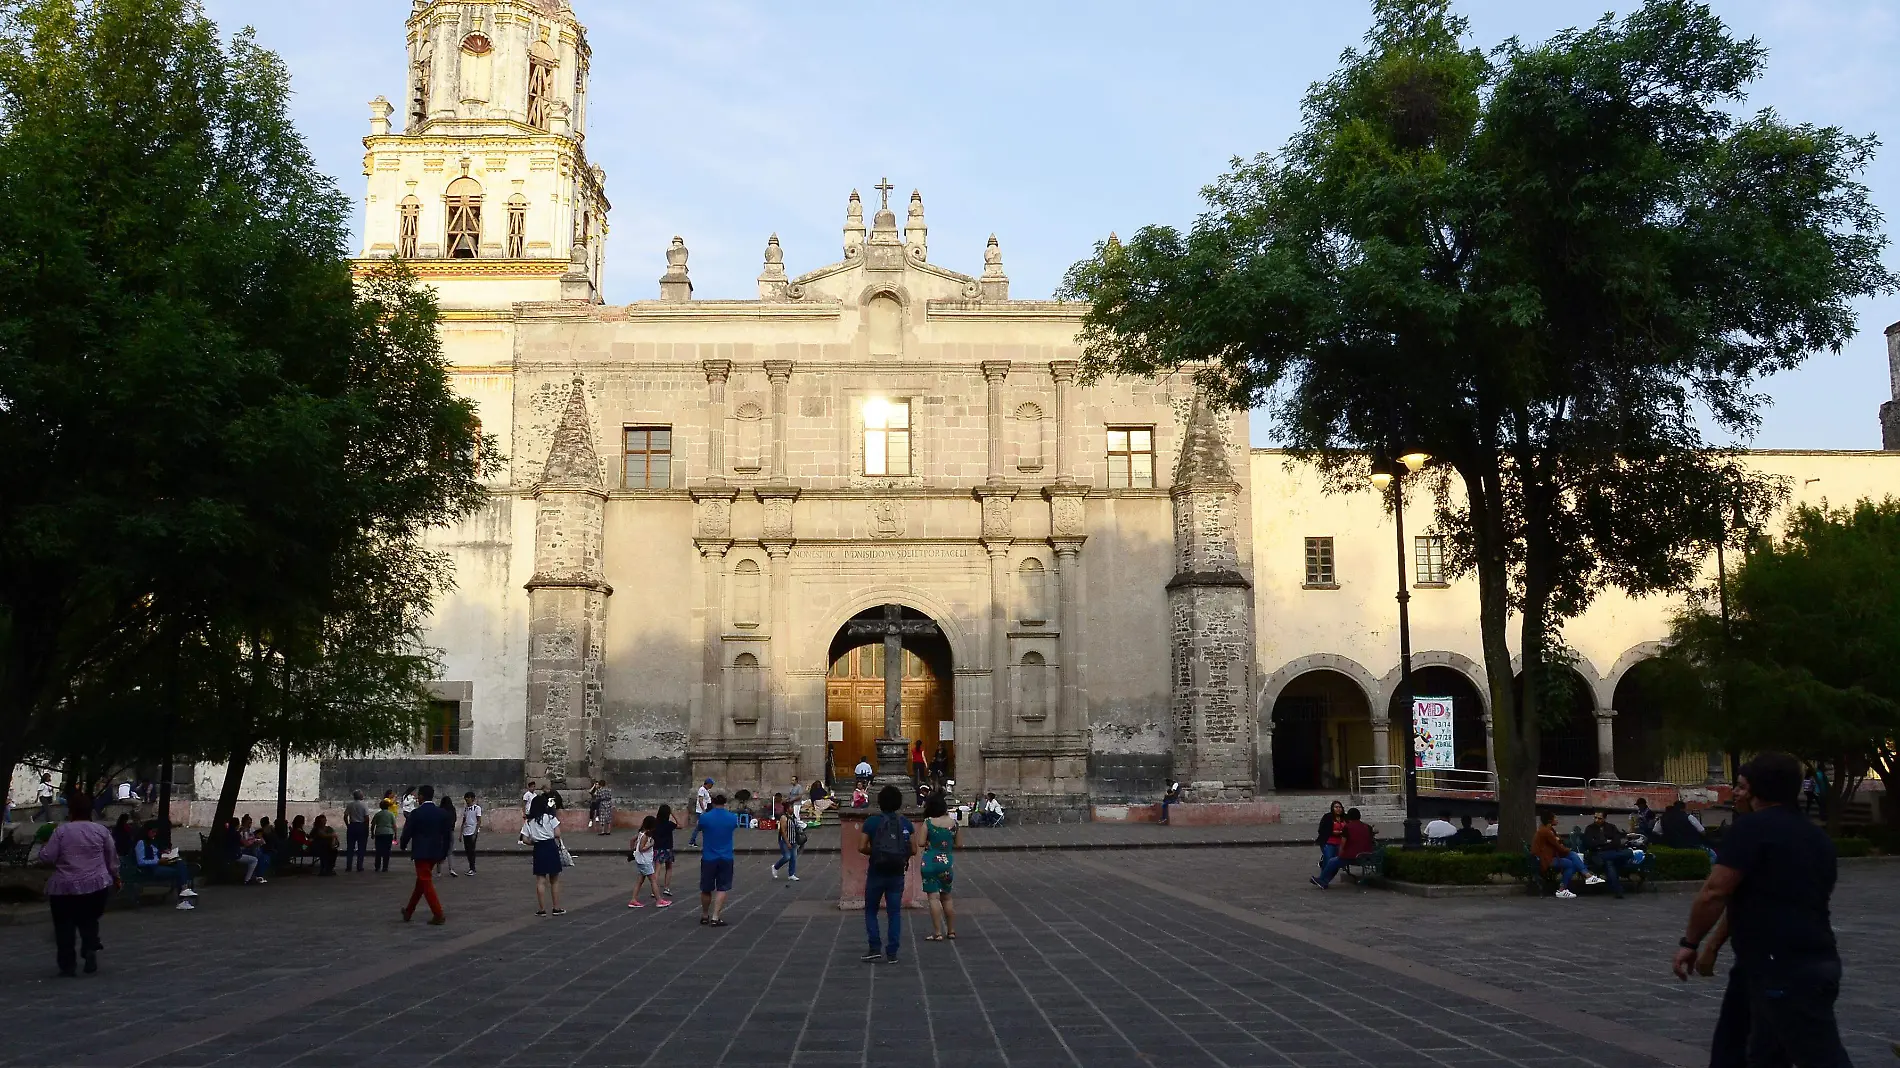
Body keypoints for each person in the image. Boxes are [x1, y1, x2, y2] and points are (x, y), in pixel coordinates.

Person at [1673, 752, 1848, 1066]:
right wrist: (1712, 946)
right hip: (1786, 962)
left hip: (1782, 968)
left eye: (1740, 786)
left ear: (1759, 790)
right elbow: (1753, 895)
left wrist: (1690, 943)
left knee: (1820, 1057)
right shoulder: (1816, 836)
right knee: (1739, 1051)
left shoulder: (1752, 828)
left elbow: (1715, 892)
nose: (1735, 793)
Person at [38, 791, 117, 976]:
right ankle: (90, 947)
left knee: (64, 926)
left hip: (65, 887)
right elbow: (111, 857)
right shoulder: (101, 831)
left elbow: (48, 857)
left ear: (71, 811)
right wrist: (115, 876)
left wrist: (43, 846)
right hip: (96, 885)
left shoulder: (61, 831)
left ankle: (68, 965)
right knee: (89, 920)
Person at [859, 784, 916, 962]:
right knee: (894, 913)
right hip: (897, 873)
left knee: (870, 910)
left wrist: (876, 852)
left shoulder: (871, 822)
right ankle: (892, 952)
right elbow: (913, 849)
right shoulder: (906, 823)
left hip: (877, 871)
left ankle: (875, 946)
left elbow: (861, 847)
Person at [397, 784, 451, 925]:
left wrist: (402, 844)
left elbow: (407, 832)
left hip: (421, 851)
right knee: (421, 882)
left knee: (425, 881)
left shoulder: (416, 813)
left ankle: (438, 913)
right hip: (435, 852)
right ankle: (409, 910)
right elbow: (447, 836)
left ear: (421, 796)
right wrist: (444, 853)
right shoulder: (442, 813)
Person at [1533, 810, 1601, 899]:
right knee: (1571, 863)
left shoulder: (1549, 829)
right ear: (1550, 820)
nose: (1557, 820)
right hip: (1546, 859)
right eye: (1555, 818)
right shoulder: (1546, 831)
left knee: (1572, 855)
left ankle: (1587, 876)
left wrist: (1564, 847)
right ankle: (1564, 888)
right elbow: (1558, 846)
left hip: (1552, 855)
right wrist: (1567, 849)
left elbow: (1559, 841)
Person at [695, 792, 739, 927]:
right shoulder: (732, 818)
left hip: (709, 857)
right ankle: (715, 916)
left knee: (706, 888)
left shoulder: (705, 818)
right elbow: (733, 827)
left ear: (712, 803)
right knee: (722, 887)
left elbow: (699, 828)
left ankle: (704, 914)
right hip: (726, 856)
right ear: (725, 803)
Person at [519, 792, 566, 916]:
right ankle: (556, 908)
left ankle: (542, 909)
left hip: (539, 848)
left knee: (540, 880)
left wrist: (533, 842)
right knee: (554, 880)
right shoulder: (550, 818)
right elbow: (557, 834)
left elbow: (524, 839)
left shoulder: (529, 822)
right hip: (550, 847)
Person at [920, 793, 958, 942]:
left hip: (929, 862)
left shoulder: (928, 822)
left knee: (933, 898)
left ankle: (937, 932)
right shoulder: (954, 824)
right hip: (946, 863)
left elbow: (920, 842)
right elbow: (959, 844)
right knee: (947, 897)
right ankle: (951, 931)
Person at [133, 823, 197, 909]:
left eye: (156, 832)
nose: (154, 834)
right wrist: (158, 861)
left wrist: (165, 854)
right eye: (153, 832)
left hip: (160, 864)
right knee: (178, 873)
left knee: (179, 863)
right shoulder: (141, 843)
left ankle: (184, 890)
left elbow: (155, 853)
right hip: (151, 869)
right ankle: (183, 898)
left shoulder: (153, 842)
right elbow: (141, 861)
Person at [1311, 808, 1374, 889]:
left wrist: (1341, 855)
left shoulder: (1347, 828)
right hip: (1366, 855)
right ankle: (1323, 881)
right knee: (1335, 861)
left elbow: (1343, 844)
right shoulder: (1367, 827)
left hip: (1353, 856)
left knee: (1332, 861)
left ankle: (1322, 880)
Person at [1581, 810, 1633, 900]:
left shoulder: (1611, 827)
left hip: (1609, 853)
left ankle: (1618, 890)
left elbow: (1616, 842)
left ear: (1604, 818)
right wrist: (1605, 842)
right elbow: (1589, 843)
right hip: (1597, 855)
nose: (1597, 820)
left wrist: (1601, 845)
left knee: (1610, 863)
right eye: (1595, 817)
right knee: (1627, 853)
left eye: (1599, 818)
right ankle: (1618, 890)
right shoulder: (1590, 828)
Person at [627, 816, 665, 908]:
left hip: (641, 860)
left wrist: (632, 851)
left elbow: (632, 840)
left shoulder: (641, 833)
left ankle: (633, 899)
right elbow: (641, 849)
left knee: (640, 881)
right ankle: (659, 900)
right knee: (653, 880)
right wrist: (651, 845)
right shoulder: (645, 836)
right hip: (645, 861)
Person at [770, 792, 801, 883]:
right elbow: (783, 831)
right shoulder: (784, 817)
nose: (792, 809)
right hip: (785, 840)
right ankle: (775, 867)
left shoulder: (794, 817)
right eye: (791, 807)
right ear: (787, 809)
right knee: (787, 857)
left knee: (793, 858)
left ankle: (791, 874)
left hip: (794, 840)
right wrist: (787, 842)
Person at [449, 792, 481, 877]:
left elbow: (479, 821)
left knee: (471, 850)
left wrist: (475, 832)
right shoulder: (466, 809)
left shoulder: (477, 808)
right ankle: (471, 867)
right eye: (466, 798)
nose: (467, 799)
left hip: (472, 831)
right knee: (467, 850)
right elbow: (463, 822)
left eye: (468, 798)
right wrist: (460, 834)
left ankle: (472, 868)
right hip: (466, 832)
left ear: (473, 799)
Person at [652, 803, 678, 899]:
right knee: (669, 868)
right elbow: (679, 825)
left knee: (657, 869)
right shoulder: (669, 824)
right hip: (667, 848)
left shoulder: (655, 823)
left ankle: (653, 889)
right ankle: (666, 887)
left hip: (657, 847)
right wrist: (673, 814)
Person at [343, 790, 371, 873]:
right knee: (361, 847)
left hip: (352, 825)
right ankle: (359, 866)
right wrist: (366, 827)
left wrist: (348, 825)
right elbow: (366, 817)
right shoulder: (364, 805)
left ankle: (349, 866)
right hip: (361, 826)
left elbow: (345, 816)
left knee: (350, 847)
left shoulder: (350, 804)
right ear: (360, 796)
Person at [1314, 800, 1345, 867]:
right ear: (1332, 808)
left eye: (1340, 807)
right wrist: (1332, 832)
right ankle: (1323, 876)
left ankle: (1324, 862)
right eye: (1336, 807)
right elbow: (1321, 829)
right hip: (1328, 841)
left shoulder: (1345, 817)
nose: (1338, 809)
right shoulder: (1327, 817)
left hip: (1340, 842)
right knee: (1328, 859)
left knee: (1335, 862)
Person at [371, 799, 398, 873]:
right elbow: (394, 825)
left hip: (379, 832)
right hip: (389, 833)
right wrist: (395, 835)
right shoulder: (391, 814)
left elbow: (373, 825)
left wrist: (372, 833)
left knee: (378, 850)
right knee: (387, 850)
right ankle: (385, 867)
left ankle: (377, 866)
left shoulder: (378, 814)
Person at [687, 778, 713, 846]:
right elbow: (700, 800)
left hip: (705, 811)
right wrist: (703, 810)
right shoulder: (702, 789)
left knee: (704, 826)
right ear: (708, 784)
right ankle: (692, 841)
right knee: (699, 827)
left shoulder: (706, 790)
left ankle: (706, 840)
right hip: (701, 811)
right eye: (711, 785)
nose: (711, 786)